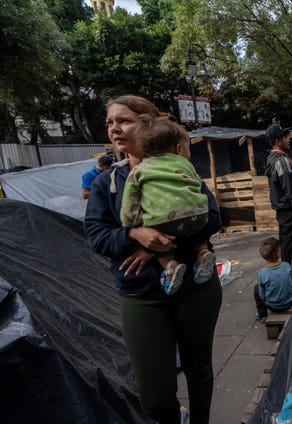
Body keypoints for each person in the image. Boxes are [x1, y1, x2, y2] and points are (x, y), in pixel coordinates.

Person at [84, 95, 222, 424]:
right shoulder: (109, 183)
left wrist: (155, 245)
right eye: (109, 123)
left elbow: (213, 218)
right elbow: (95, 235)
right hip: (142, 295)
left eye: (124, 121)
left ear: (146, 124)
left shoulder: (178, 166)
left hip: (195, 286)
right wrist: (133, 235)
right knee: (156, 398)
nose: (114, 129)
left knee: (198, 369)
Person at [120, 116, 216, 296]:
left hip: (163, 221)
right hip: (198, 215)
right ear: (179, 148)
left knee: (160, 242)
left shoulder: (138, 170)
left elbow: (130, 200)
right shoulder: (186, 164)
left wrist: (131, 222)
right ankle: (202, 252)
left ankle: (170, 265)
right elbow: (197, 187)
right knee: (195, 229)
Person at [264, 123, 292, 272]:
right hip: (288, 207)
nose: (288, 140)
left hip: (280, 207)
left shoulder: (271, 159)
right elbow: (288, 186)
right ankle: (288, 271)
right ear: (277, 141)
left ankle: (288, 266)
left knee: (285, 240)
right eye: (285, 138)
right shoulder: (282, 161)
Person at [253, 237, 292, 322]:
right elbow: (291, 284)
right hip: (289, 301)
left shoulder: (262, 273)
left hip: (273, 306)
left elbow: (262, 295)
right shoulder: (286, 265)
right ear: (278, 253)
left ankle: (263, 315)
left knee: (256, 289)